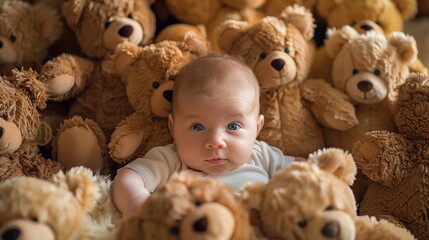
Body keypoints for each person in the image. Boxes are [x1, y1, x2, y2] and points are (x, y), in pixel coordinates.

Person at [112, 53, 303, 219]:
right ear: (173, 127)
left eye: (233, 126)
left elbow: (308, 170)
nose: (215, 142)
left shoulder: (261, 155)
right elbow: (128, 178)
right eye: (197, 127)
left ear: (257, 128)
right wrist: (136, 203)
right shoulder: (171, 161)